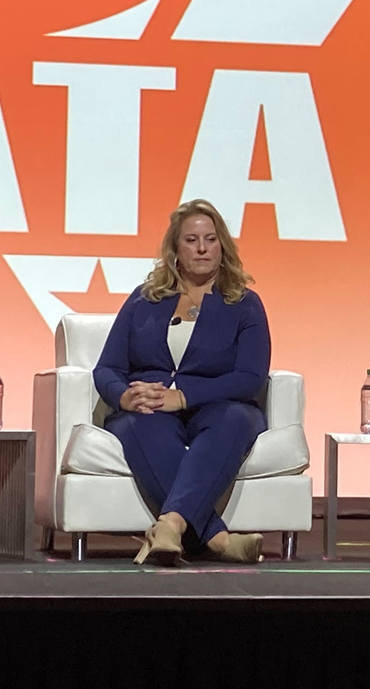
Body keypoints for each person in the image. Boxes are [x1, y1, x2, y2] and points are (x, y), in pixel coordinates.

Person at [94, 199, 272, 566]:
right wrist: (125, 397)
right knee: (142, 423)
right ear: (176, 249)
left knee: (235, 420)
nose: (202, 248)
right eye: (192, 240)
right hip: (150, 407)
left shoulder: (244, 304)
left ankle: (170, 526)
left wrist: (185, 396)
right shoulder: (145, 299)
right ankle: (218, 539)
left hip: (220, 405)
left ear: (223, 246)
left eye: (210, 239)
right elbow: (107, 367)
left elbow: (251, 377)